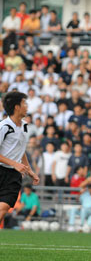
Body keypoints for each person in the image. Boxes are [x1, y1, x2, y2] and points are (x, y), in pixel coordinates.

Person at [0, 92, 39, 224]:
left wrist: (29, 170)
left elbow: (20, 150)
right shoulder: (4, 127)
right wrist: (14, 163)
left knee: (4, 208)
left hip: (14, 176)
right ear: (17, 107)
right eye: (24, 103)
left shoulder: (25, 126)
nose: (27, 106)